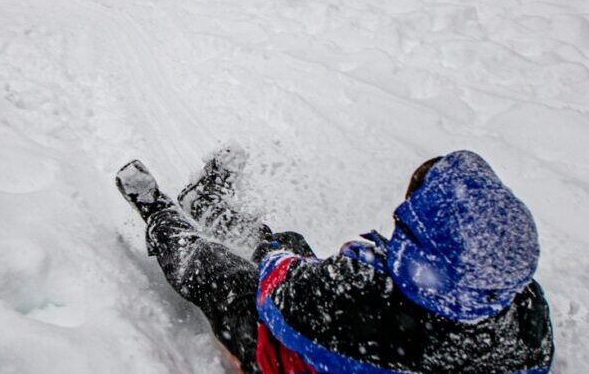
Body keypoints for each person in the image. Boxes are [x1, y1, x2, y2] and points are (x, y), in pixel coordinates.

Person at [116, 149, 554, 374]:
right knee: (285, 244)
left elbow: (277, 290)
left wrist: (350, 262)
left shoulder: (357, 302)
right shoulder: (526, 319)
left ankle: (162, 215)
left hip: (290, 350)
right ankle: (212, 208)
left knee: (220, 269)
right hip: (347, 334)